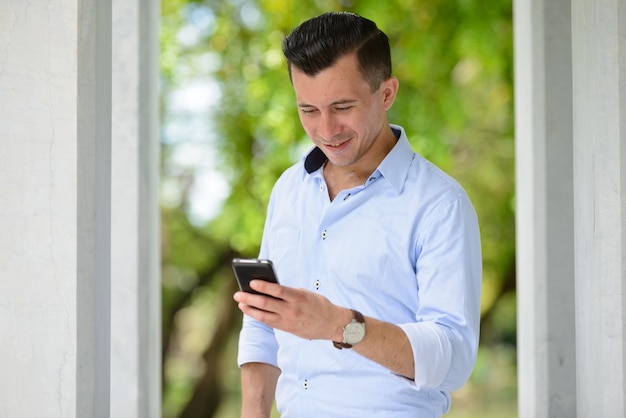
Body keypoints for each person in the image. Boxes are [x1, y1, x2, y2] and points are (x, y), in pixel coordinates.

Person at [233, 11, 482, 418]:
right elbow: (263, 324)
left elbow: (452, 357)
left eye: (342, 106)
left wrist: (338, 325)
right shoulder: (289, 190)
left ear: (386, 93)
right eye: (308, 110)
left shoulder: (440, 204)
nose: (326, 129)